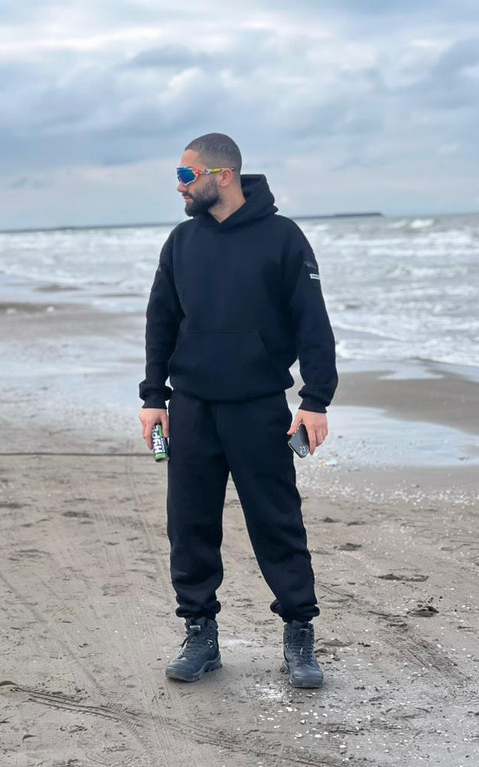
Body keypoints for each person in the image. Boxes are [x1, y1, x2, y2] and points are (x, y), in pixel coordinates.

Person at [138, 133, 338, 687]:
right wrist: (153, 397)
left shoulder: (283, 237)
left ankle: (299, 633)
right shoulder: (181, 241)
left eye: (186, 175)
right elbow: (160, 322)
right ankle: (200, 633)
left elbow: (312, 322)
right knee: (190, 524)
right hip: (192, 406)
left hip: (258, 406)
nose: (179, 186)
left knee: (277, 523)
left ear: (221, 175)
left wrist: (315, 400)